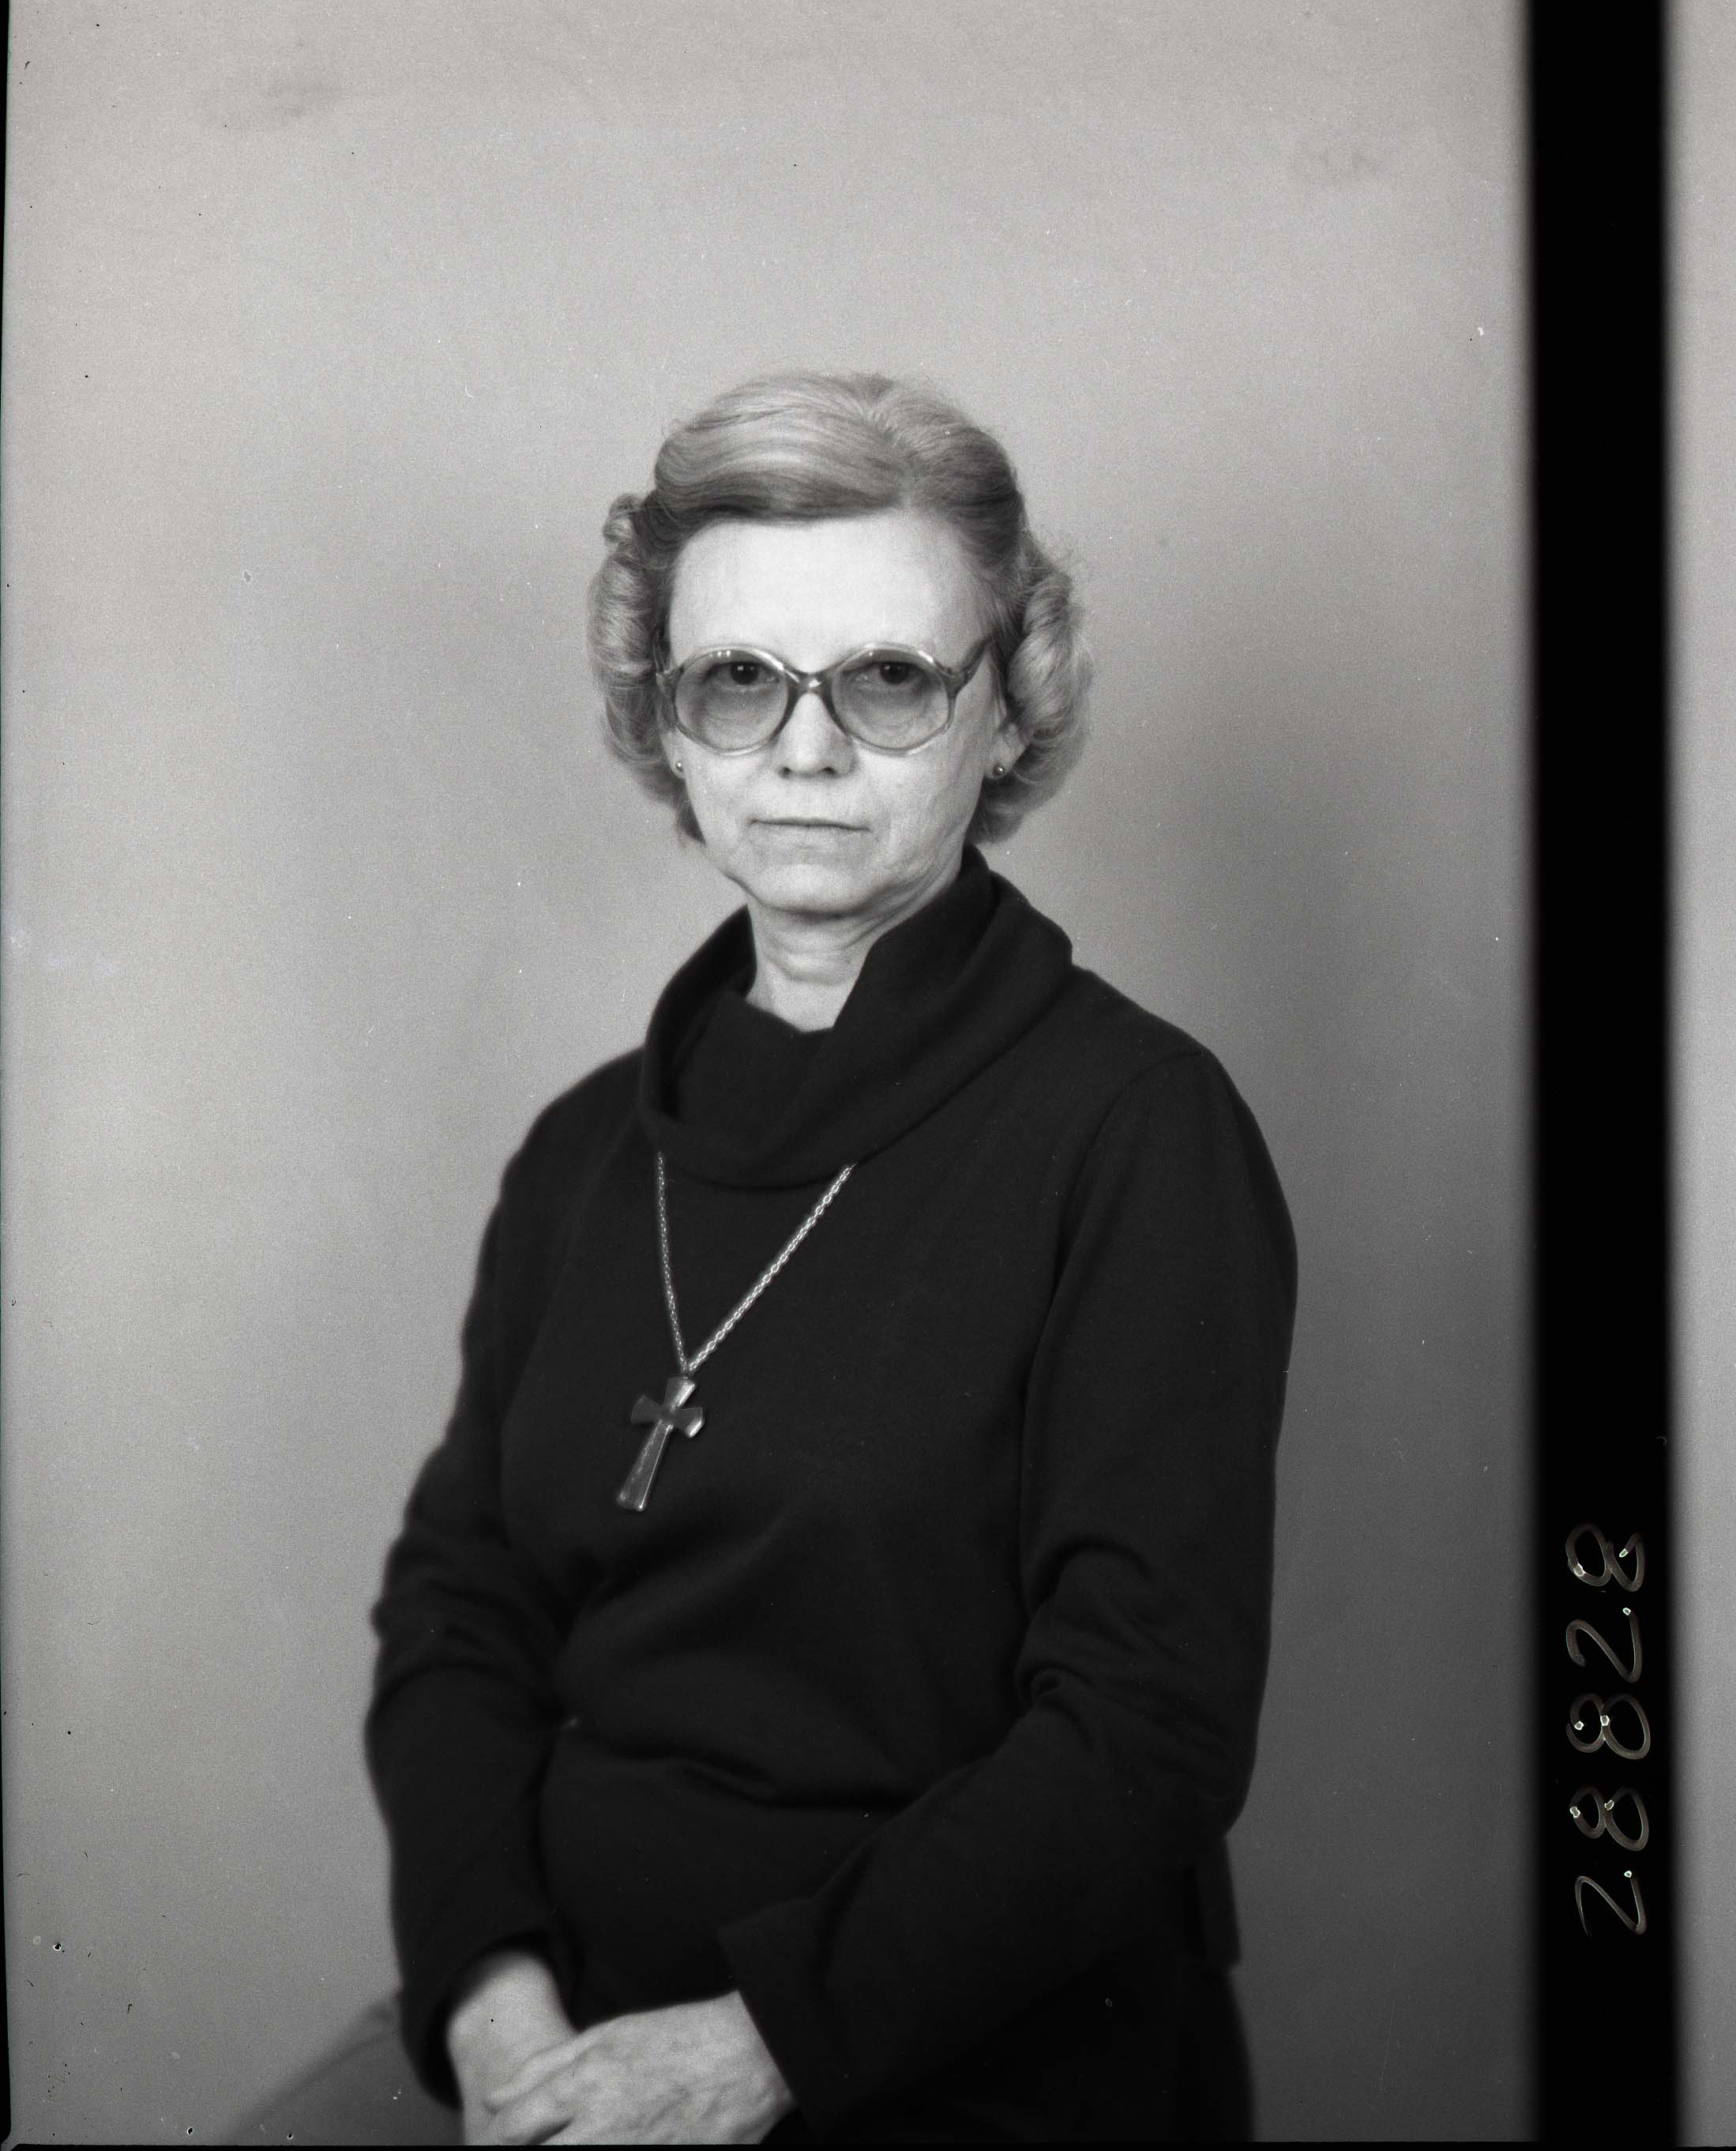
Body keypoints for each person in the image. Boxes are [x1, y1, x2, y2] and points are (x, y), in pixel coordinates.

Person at [362, 371, 1298, 2142]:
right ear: (667, 725)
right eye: (738, 680)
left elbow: (1146, 1730)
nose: (803, 752)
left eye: (886, 679)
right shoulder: (583, 1151)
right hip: (565, 2032)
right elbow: (460, 1612)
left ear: (1006, 711)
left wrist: (754, 2052)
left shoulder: (1134, 1132)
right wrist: (490, 2006)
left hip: (959, 2056)